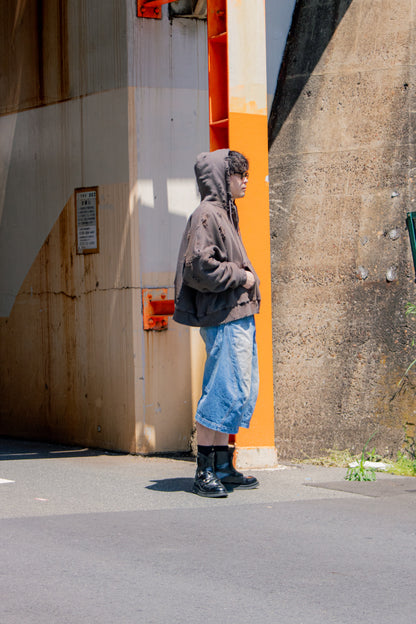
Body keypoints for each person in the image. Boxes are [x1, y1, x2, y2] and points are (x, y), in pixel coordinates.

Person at [173, 148, 261, 498]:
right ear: (224, 178)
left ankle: (223, 465)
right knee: (222, 391)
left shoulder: (224, 212)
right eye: (240, 175)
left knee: (237, 390)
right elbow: (198, 267)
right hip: (225, 315)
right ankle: (204, 471)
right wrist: (241, 276)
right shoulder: (208, 214)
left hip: (235, 314)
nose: (245, 181)